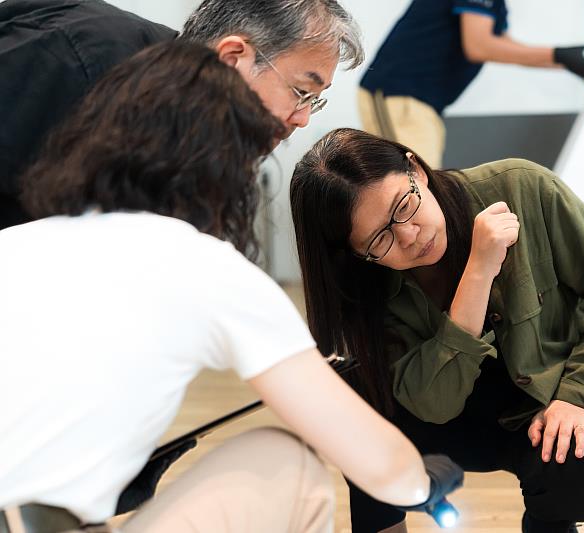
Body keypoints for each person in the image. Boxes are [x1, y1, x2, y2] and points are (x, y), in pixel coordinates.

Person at [0, 43, 463, 533]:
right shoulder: (203, 266)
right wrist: (421, 482)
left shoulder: (15, 243)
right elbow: (378, 463)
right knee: (286, 461)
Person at [290, 128, 584, 533]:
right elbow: (435, 405)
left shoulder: (520, 186)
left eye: (403, 206)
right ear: (357, 254)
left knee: (581, 473)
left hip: (543, 400)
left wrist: (577, 396)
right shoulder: (365, 288)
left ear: (416, 169)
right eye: (379, 239)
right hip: (445, 415)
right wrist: (478, 271)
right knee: (360, 423)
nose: (409, 236)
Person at [0, 0, 363, 230]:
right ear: (233, 57)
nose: (302, 119)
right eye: (301, 91)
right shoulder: (84, 55)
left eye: (314, 101)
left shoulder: (201, 148)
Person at [358, 0, 584, 169]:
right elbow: (478, 45)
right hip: (397, 94)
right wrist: (559, 56)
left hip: (418, 102)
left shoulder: (496, 5)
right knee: (417, 189)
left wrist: (568, 61)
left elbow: (501, 43)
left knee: (425, 186)